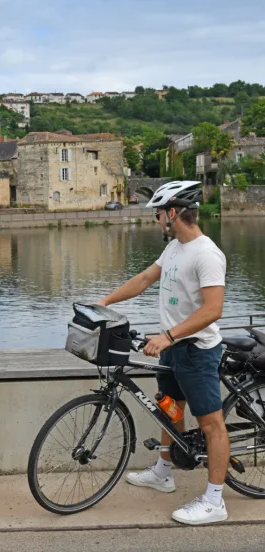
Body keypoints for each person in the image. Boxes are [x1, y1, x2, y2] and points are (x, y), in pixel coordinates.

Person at [97, 181, 228, 526]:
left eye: (158, 213)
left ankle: (214, 501)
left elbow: (213, 309)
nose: (156, 219)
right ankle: (163, 472)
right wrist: (105, 301)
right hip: (172, 350)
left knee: (211, 425)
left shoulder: (206, 254)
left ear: (172, 213)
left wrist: (168, 336)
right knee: (170, 411)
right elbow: (144, 279)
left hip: (196, 352)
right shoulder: (174, 248)